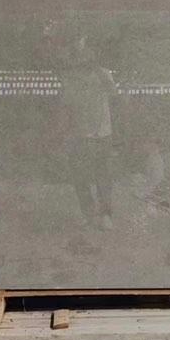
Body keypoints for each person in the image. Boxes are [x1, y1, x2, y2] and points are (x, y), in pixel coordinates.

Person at [58, 37, 117, 229]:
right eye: (79, 56)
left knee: (103, 176)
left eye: (86, 54)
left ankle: (105, 215)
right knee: (80, 177)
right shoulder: (69, 80)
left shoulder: (103, 74)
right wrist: (63, 134)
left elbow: (114, 94)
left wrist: (98, 71)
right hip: (79, 134)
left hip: (102, 133)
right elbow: (66, 108)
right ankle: (88, 213)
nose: (83, 59)